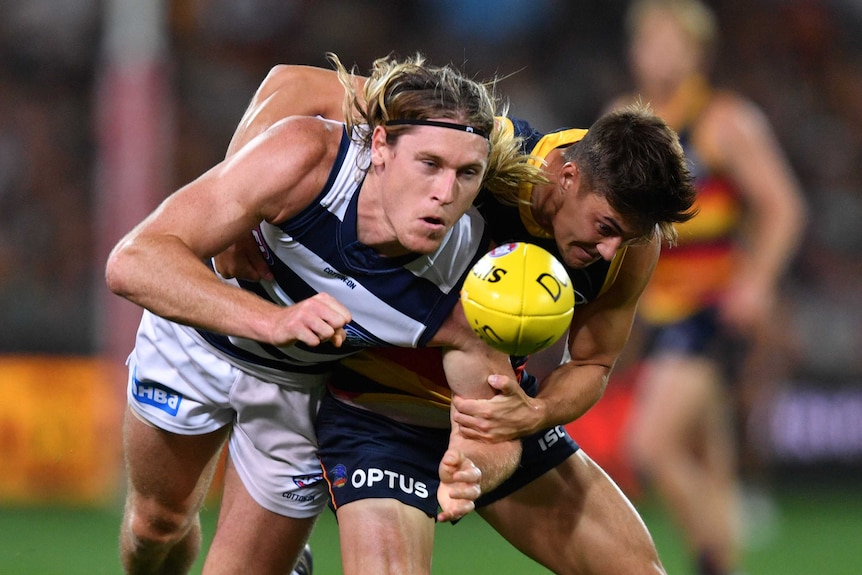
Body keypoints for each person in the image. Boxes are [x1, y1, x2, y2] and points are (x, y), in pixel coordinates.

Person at [215, 62, 698, 574]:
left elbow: (593, 364)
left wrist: (536, 413)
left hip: (489, 422)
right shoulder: (476, 147)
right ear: (568, 175)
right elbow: (293, 84)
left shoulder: (629, 244)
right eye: (606, 227)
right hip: (379, 419)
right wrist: (233, 213)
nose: (610, 248)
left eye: (628, 235)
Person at [105, 53, 539, 575]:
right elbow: (133, 261)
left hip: (296, 395)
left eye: (467, 173)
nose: (445, 194)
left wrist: (473, 470)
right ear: (379, 147)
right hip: (195, 344)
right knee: (155, 526)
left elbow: (490, 429)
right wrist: (271, 321)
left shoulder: (470, 286)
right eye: (429, 164)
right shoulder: (307, 157)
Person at [607, 1, 808, 574]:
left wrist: (757, 283)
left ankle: (712, 557)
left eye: (674, 42)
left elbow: (783, 206)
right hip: (658, 310)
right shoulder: (624, 118)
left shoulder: (724, 120)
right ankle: (724, 558)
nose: (660, 54)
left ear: (698, 52)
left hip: (711, 308)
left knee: (652, 445)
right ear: (634, 51)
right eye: (651, 41)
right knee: (707, 459)